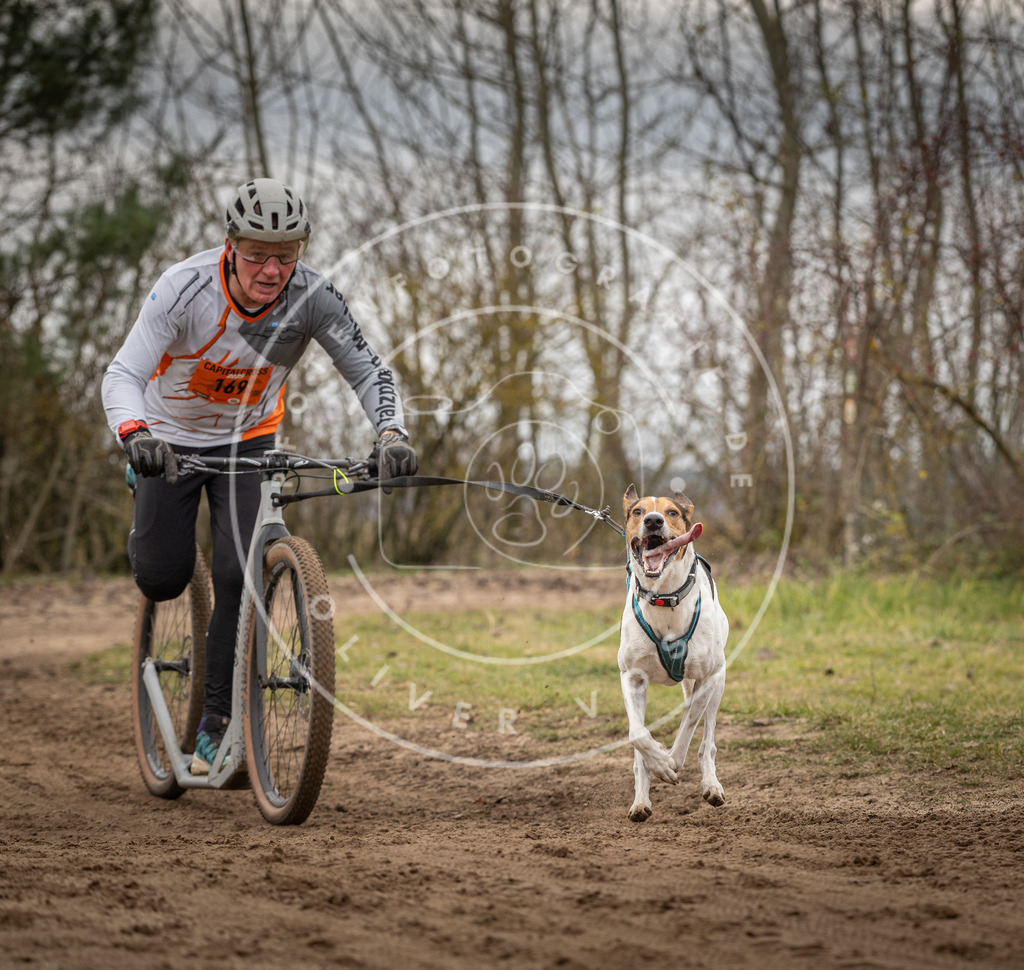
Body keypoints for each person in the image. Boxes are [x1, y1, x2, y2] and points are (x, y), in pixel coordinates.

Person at [102, 177, 418, 774]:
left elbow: (368, 369)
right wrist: (135, 435)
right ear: (230, 245)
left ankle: (215, 723)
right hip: (167, 439)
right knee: (162, 576)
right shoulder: (184, 289)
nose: (272, 270)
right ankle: (148, 521)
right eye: (257, 256)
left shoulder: (313, 296)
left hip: (249, 441)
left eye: (286, 255)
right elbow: (121, 374)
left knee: (237, 573)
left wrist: (392, 435)